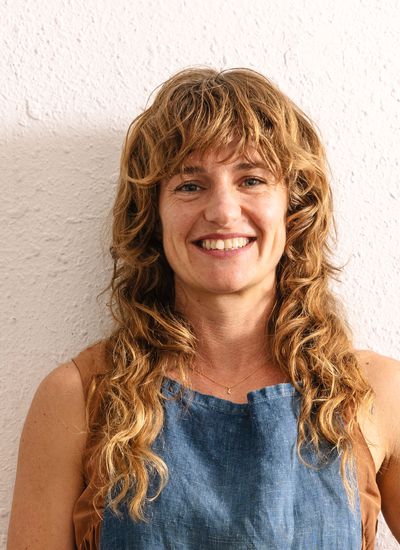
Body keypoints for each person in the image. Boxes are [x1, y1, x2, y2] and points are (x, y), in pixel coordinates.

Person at [7, 67, 400, 550]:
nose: (222, 210)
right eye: (190, 185)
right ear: (152, 215)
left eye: (252, 179)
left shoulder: (375, 393)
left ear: (294, 210)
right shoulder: (76, 396)